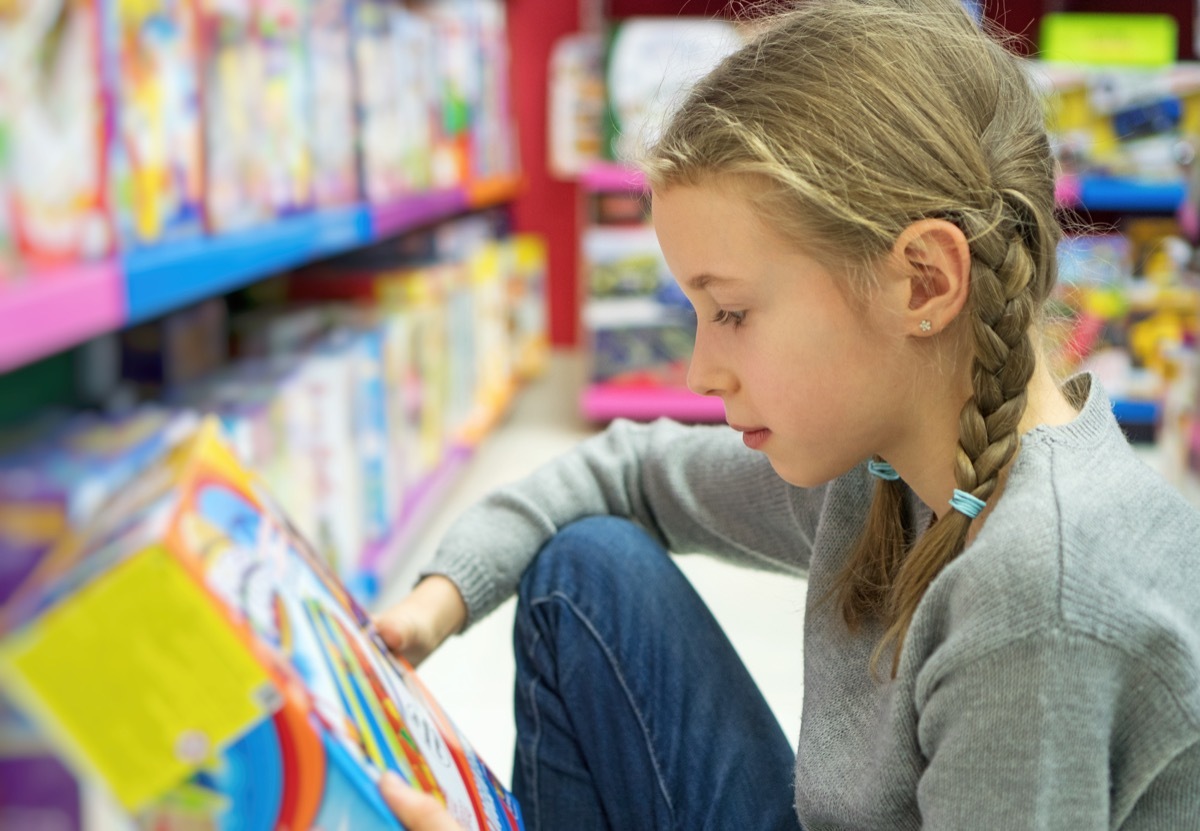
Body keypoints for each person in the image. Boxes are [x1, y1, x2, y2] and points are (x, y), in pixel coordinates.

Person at [375, 0, 1200, 828]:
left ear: (922, 282)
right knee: (585, 569)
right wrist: (435, 603)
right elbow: (629, 470)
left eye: (730, 312)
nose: (700, 371)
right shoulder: (894, 469)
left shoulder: (1035, 600)